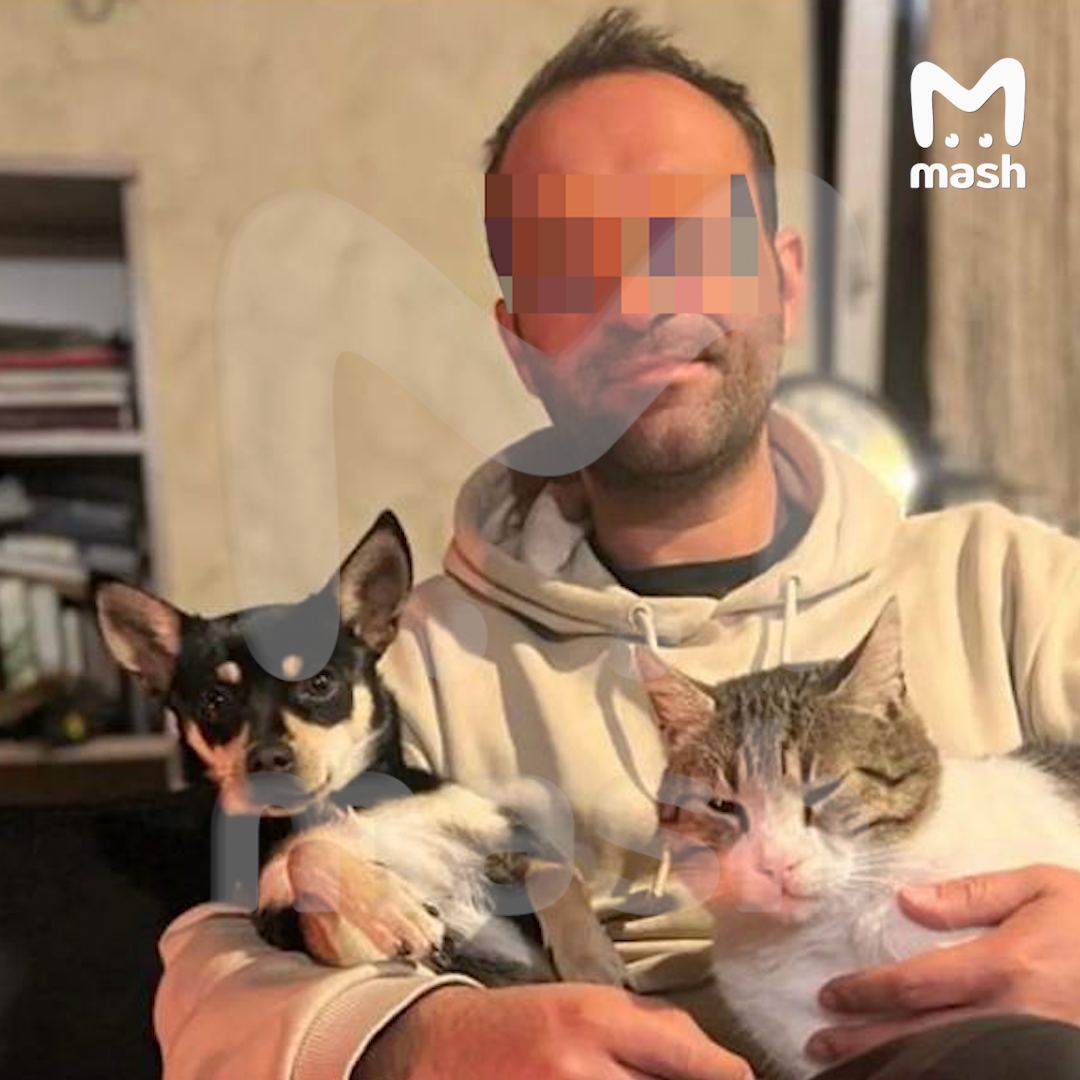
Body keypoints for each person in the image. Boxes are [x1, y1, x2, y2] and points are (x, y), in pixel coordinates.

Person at [156, 8, 1080, 1079]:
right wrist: (413, 1039)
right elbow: (210, 963)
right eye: (574, 263)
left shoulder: (1013, 589)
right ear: (519, 343)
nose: (641, 297)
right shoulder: (409, 668)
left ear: (785, 280)